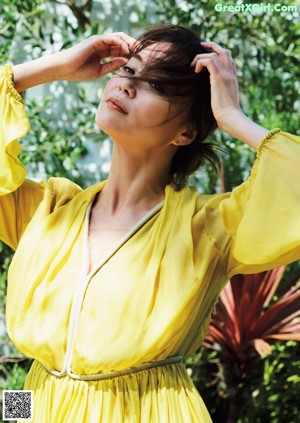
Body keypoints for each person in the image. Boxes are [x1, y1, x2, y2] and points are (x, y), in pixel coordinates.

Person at [0, 23, 299, 423]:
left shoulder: (206, 227)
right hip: (34, 402)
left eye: (157, 85)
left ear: (187, 131)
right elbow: (36, 382)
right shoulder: (48, 209)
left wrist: (230, 116)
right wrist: (51, 68)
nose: (126, 85)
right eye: (128, 70)